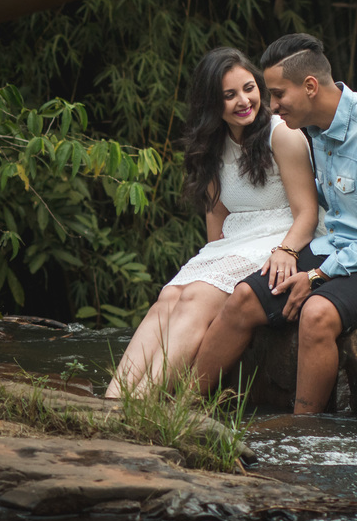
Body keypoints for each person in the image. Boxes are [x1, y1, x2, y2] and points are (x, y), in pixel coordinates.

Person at [192, 33, 357, 414]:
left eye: (278, 94)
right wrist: (287, 250)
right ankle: (180, 406)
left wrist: (318, 275)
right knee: (244, 297)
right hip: (343, 250)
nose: (272, 106)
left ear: (310, 86)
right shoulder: (316, 130)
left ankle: (304, 434)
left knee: (316, 313)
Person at [105, 46, 320, 399]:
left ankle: (142, 403)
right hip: (236, 241)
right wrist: (209, 261)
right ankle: (115, 397)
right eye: (229, 95)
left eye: (249, 88)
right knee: (170, 295)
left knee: (197, 297)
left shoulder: (281, 134)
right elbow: (216, 215)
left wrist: (287, 250)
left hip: (279, 235)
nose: (243, 101)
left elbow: (308, 213)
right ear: (211, 103)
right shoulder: (212, 143)